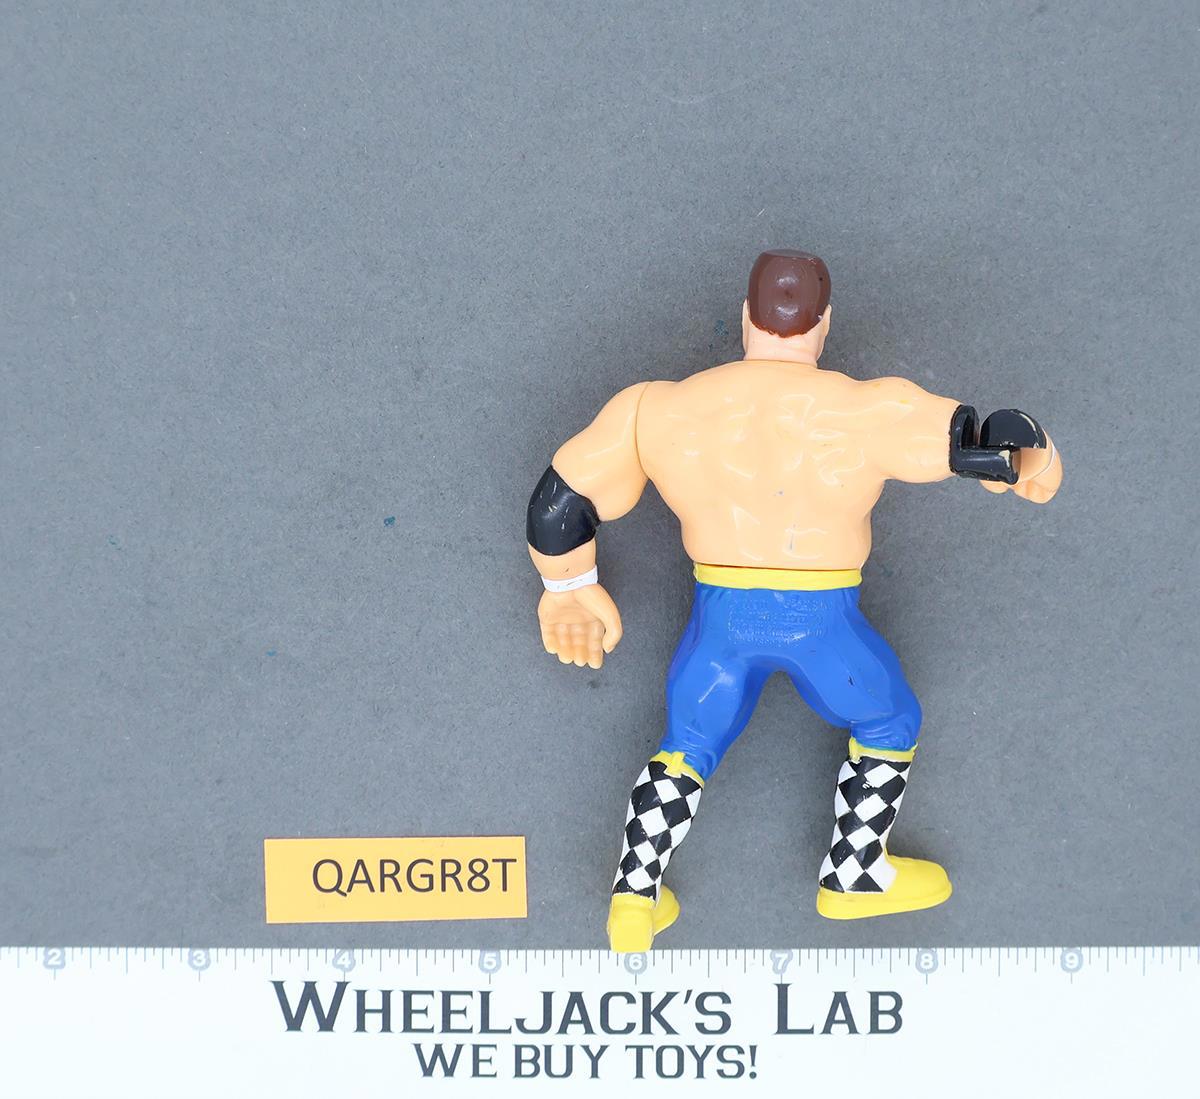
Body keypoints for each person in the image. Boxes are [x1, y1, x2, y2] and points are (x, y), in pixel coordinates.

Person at [526, 250, 1063, 952]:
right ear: (825, 322)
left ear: (745, 318)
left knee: (688, 743)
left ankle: (634, 894)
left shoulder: (656, 409)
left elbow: (561, 499)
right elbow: (982, 443)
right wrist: (1031, 455)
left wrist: (568, 587)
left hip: (722, 620)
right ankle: (855, 870)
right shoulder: (870, 409)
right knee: (890, 717)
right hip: (822, 623)